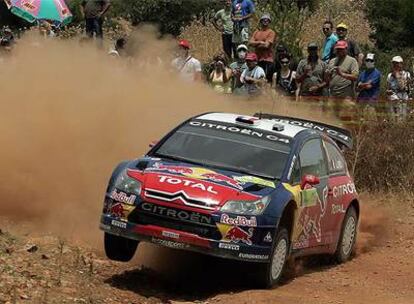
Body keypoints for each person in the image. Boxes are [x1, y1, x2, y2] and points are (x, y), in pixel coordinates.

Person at [326, 40, 359, 122]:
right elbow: (328, 79)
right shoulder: (332, 61)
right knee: (331, 119)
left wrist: (342, 74)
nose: (339, 51)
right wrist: (327, 74)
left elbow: (355, 77)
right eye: (338, 49)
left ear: (346, 49)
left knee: (346, 119)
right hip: (333, 95)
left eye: (341, 49)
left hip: (346, 96)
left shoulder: (352, 61)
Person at [249, 14, 276, 83]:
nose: (265, 21)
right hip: (257, 59)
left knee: (266, 80)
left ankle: (267, 93)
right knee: (258, 79)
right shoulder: (256, 32)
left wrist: (255, 44)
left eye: (267, 20)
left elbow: (266, 45)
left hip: (267, 60)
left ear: (269, 22)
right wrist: (261, 42)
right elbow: (250, 43)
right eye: (264, 20)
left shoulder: (271, 32)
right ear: (261, 21)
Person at [386, 56, 412, 121]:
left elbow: (403, 87)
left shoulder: (406, 74)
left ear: (401, 64)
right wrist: (388, 91)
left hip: (402, 98)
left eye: (397, 63)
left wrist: (397, 76)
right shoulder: (390, 75)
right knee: (392, 118)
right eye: (394, 63)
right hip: (392, 98)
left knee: (401, 118)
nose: (395, 65)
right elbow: (388, 87)